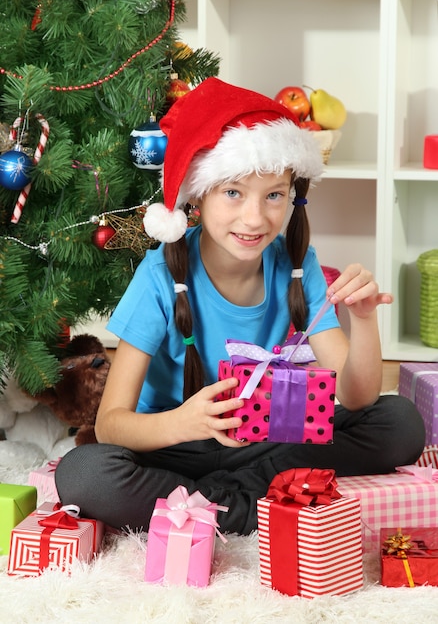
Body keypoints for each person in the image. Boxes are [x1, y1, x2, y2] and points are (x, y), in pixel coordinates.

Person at [55, 77, 425, 535]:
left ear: (293, 197)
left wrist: (365, 320)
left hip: (266, 442)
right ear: (199, 195)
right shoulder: (158, 276)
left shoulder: (296, 264)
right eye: (233, 193)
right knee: (83, 472)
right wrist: (183, 422)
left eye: (274, 196)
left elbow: (356, 397)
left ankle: (213, 506)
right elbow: (111, 425)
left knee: (400, 422)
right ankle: (256, 503)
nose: (255, 218)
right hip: (173, 443)